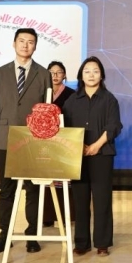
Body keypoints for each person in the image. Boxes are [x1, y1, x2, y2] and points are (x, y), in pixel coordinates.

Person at [0, 28, 50, 254]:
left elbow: (47, 109)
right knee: (6, 190)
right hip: (5, 138)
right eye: (21, 41)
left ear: (35, 46)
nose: (25, 45)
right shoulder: (0, 73)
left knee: (33, 189)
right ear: (14, 44)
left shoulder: (43, 74)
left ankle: (32, 235)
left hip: (33, 140)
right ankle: (5, 236)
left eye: (30, 42)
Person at [63, 56, 123, 257]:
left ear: (102, 75)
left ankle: (102, 243)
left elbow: (114, 125)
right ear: (81, 75)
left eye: (96, 71)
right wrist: (78, 146)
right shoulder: (71, 101)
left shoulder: (109, 99)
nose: (91, 75)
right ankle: (82, 242)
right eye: (87, 71)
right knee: (80, 200)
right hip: (77, 155)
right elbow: (66, 128)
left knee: (102, 199)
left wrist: (97, 145)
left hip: (102, 154)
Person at [42, 60, 76, 228]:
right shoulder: (41, 93)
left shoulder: (72, 94)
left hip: (63, 142)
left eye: (59, 72)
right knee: (45, 179)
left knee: (63, 180)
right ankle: (46, 216)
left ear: (64, 75)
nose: (55, 75)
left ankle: (66, 216)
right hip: (44, 142)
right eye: (52, 72)